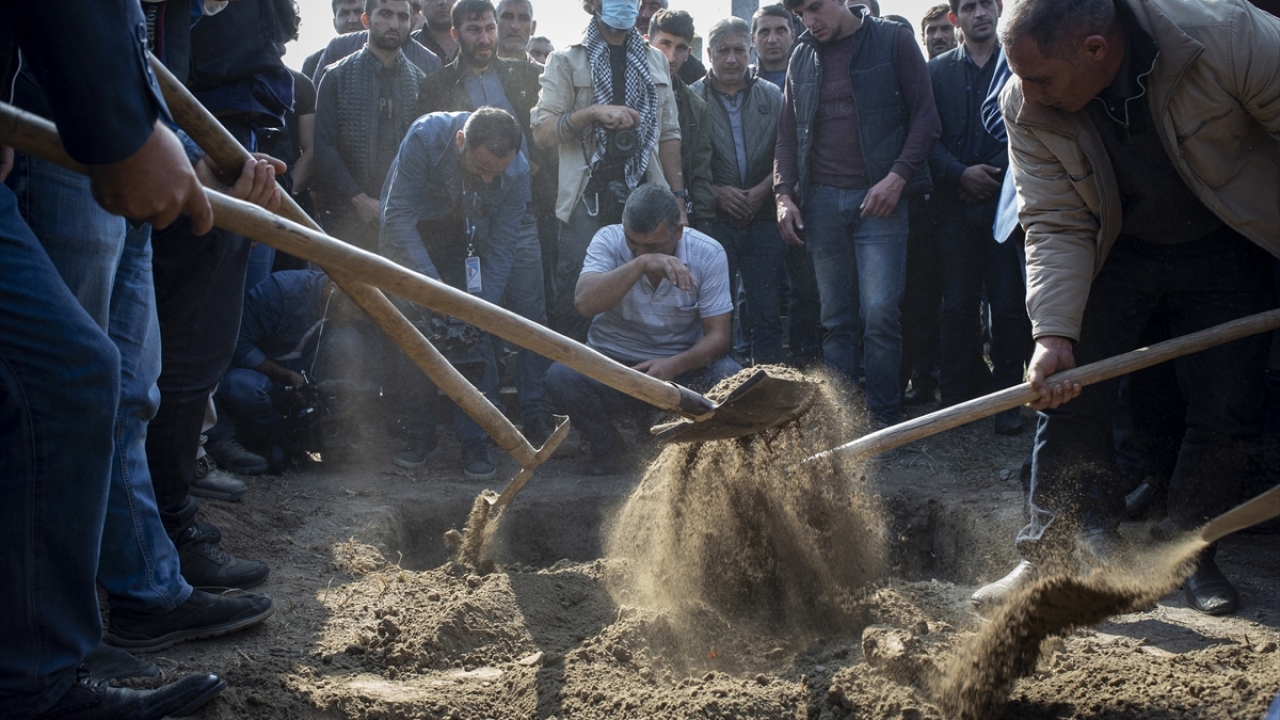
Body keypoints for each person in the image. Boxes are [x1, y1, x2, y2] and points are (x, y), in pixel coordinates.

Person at [971, 0, 1280, 616]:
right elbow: (1054, 219)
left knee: (1225, 405)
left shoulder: (1226, 36)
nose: (1025, 97)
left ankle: (1187, 551)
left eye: (1040, 79)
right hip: (1113, 246)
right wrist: (1053, 333)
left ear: (1095, 49)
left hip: (1229, 237)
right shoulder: (1023, 102)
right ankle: (1049, 552)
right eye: (1018, 77)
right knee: (1066, 390)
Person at [0, 0, 247, 715]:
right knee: (61, 382)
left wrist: (156, 136)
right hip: (73, 136)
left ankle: (135, 596)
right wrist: (120, 129)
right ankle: (37, 674)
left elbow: (136, 46)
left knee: (116, 386)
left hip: (104, 129)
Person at [774, 0, 940, 428]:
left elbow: (926, 118)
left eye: (816, 8)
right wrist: (783, 196)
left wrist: (897, 178)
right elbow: (787, 137)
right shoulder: (802, 54)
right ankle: (843, 425)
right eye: (801, 15)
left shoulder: (894, 40)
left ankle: (884, 419)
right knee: (836, 319)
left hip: (881, 201)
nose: (810, 21)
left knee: (881, 313)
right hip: (823, 204)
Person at [417, 0, 557, 445]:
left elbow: (546, 139)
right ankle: (488, 421)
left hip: (522, 220)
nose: (484, 38)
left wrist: (531, 168)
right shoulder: (436, 84)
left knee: (530, 316)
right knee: (477, 318)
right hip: (464, 225)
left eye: (489, 28)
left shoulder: (527, 76)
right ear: (455, 33)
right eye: (473, 29)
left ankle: (535, 412)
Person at [544, 185, 740, 476]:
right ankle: (609, 449)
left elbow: (719, 338)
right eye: (632, 242)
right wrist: (642, 263)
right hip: (613, 365)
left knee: (729, 377)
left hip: (679, 371)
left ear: (677, 233)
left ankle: (694, 453)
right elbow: (584, 303)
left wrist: (673, 365)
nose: (638, 250)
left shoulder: (708, 253)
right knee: (560, 377)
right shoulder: (608, 239)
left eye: (652, 246)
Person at [380, 108, 531, 478]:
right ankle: (419, 436)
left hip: (469, 246)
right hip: (414, 241)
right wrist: (436, 295)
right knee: (416, 338)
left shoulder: (518, 168)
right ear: (461, 141)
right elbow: (396, 219)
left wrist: (482, 307)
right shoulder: (425, 137)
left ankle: (477, 440)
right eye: (479, 169)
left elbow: (503, 241)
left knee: (474, 340)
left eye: (495, 173)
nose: (486, 178)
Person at [531, 0, 686, 342]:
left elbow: (669, 135)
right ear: (592, 4)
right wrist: (592, 113)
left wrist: (678, 200)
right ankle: (573, 382)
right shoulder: (565, 60)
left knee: (645, 297)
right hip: (588, 199)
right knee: (579, 299)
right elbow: (542, 132)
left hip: (646, 195)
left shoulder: (655, 60)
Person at [927, 0, 1032, 434]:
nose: (979, 14)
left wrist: (996, 173)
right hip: (954, 206)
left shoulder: (1020, 64)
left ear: (1000, 9)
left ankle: (1008, 404)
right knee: (958, 306)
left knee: (1009, 306)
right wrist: (960, 173)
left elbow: (1034, 129)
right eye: (968, 7)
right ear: (955, 19)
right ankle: (955, 406)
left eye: (986, 4)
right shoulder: (936, 73)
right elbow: (925, 137)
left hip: (1006, 204)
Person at [693, 17, 787, 367]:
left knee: (767, 312)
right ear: (709, 53)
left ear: (750, 49)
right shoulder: (691, 97)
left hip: (763, 218)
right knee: (717, 312)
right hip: (715, 221)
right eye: (723, 51)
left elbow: (786, 150)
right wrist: (717, 192)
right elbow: (688, 163)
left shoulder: (772, 95)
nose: (731, 59)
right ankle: (722, 390)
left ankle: (771, 389)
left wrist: (765, 190)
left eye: (738, 50)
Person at [314, 0, 426, 252]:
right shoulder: (335, 77)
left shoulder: (420, 82)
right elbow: (323, 148)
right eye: (385, 14)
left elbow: (424, 154)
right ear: (366, 20)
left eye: (402, 17)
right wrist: (358, 199)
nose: (394, 24)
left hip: (404, 220)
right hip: (346, 218)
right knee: (347, 290)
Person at [647, 9, 715, 226]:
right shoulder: (626, 90)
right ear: (647, 42)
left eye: (680, 48)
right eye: (664, 44)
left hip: (677, 211)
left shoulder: (696, 105)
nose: (670, 57)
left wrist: (704, 221)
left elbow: (700, 170)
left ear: (689, 53)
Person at [303, 0, 368, 79]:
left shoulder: (384, 57)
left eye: (359, 12)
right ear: (335, 24)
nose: (352, 20)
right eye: (344, 13)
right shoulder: (313, 63)